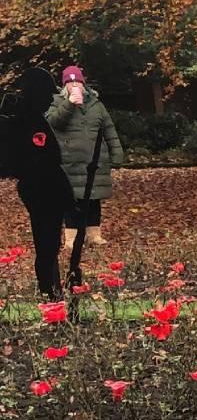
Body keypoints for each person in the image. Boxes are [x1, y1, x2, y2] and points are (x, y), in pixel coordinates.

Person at [1, 68, 74, 298]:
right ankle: (50, 291)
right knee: (47, 242)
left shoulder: (29, 117)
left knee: (48, 241)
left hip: (39, 185)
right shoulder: (33, 120)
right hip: (42, 185)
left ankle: (52, 289)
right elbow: (44, 155)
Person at [47, 66, 124, 247]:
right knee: (72, 201)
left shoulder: (96, 105)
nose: (75, 85)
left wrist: (117, 153)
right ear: (65, 85)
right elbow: (53, 122)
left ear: (83, 84)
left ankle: (94, 234)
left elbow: (109, 129)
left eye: (78, 82)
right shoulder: (57, 102)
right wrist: (69, 104)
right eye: (71, 82)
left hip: (95, 162)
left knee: (94, 200)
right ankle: (71, 239)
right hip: (69, 163)